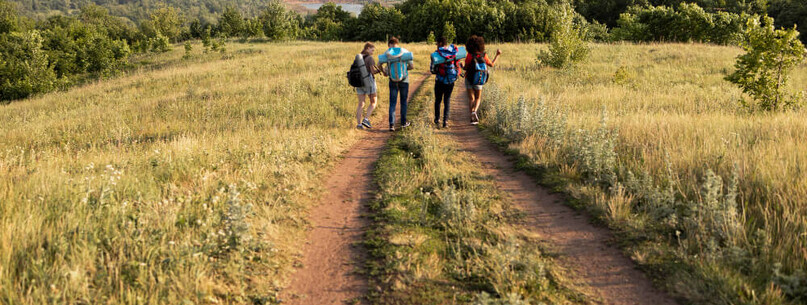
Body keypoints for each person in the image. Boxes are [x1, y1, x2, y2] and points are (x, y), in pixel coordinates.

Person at [463, 35, 501, 125]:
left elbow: (466, 67)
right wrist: (497, 55)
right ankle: (474, 111)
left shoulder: (469, 55)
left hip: (469, 78)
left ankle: (472, 117)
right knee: (478, 98)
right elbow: (491, 64)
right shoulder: (484, 55)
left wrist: (461, 66)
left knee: (471, 98)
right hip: (479, 79)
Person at [380, 37, 414, 131]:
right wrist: (405, 70)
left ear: (389, 44)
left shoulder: (387, 53)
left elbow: (379, 63)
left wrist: (384, 72)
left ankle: (391, 125)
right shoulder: (404, 51)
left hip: (392, 80)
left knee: (392, 103)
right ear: (397, 43)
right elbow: (412, 66)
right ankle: (403, 123)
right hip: (404, 80)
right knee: (403, 102)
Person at [430, 36, 462, 129]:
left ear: (440, 43)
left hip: (439, 80)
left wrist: (439, 70)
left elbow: (432, 70)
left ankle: (437, 119)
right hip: (450, 81)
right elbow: (457, 65)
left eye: (437, 43)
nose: (436, 45)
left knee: (438, 100)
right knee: (447, 100)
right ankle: (445, 122)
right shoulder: (453, 53)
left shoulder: (436, 54)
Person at [355, 42, 381, 129]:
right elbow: (372, 71)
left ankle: (359, 124)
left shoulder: (358, 57)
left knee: (361, 103)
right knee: (373, 102)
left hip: (358, 82)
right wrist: (380, 69)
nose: (372, 52)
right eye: (372, 50)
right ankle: (366, 119)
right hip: (368, 81)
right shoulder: (370, 58)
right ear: (367, 48)